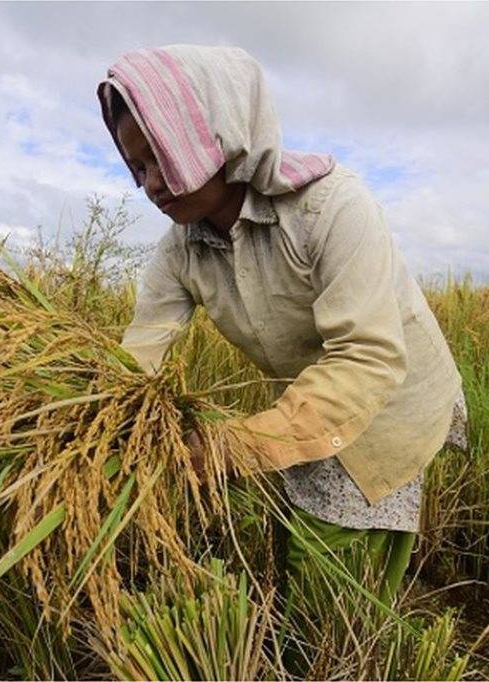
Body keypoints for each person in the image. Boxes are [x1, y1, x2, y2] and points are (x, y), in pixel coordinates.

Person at [97, 45, 467, 609]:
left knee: (334, 588)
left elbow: (368, 357)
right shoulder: (180, 252)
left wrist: (231, 448)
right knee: (295, 544)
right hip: (305, 405)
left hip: (389, 402)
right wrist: (93, 422)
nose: (150, 184)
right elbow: (140, 351)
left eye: (160, 158)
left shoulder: (331, 207)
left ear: (214, 138)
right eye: (138, 168)